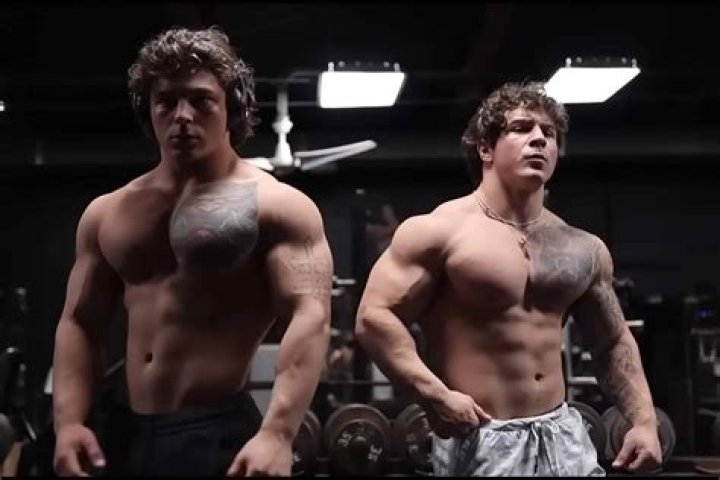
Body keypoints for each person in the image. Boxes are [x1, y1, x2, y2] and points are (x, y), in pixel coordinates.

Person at [51, 26, 332, 477]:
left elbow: (310, 317)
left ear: (231, 109)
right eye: (166, 101)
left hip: (215, 429)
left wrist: (278, 433)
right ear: (148, 110)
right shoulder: (107, 212)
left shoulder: (278, 206)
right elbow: (80, 322)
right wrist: (68, 422)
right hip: (122, 430)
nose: (182, 115)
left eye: (201, 100)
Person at [354, 81, 662, 476]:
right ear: (485, 148)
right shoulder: (437, 231)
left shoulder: (583, 247)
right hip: (482, 436)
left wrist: (644, 421)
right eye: (521, 128)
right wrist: (434, 396)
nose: (539, 139)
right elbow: (374, 318)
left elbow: (612, 341)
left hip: (564, 436)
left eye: (549, 133)